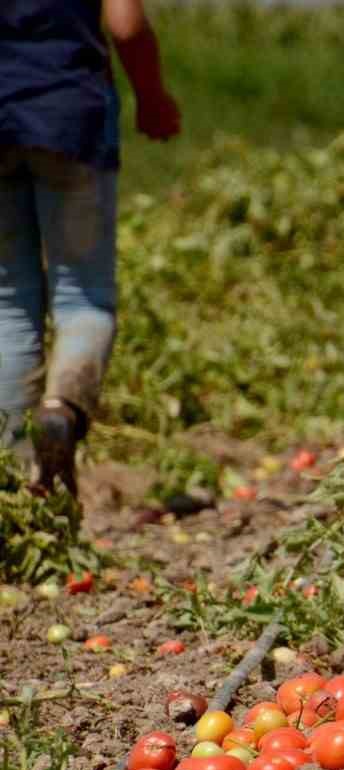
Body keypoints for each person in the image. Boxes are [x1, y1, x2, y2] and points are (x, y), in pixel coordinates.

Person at [1, 0, 180, 497]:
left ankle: (14, 486)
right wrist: (153, 98)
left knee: (7, 308)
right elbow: (126, 25)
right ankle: (61, 408)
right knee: (85, 298)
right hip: (70, 117)